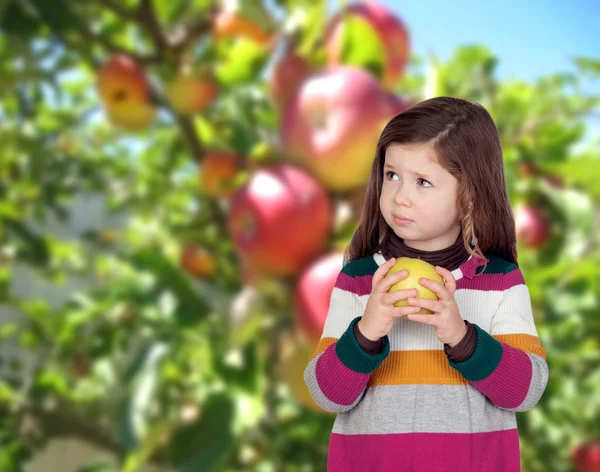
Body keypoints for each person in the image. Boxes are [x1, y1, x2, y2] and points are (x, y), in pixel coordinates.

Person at [303, 96, 549, 471]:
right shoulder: (359, 280)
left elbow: (525, 391)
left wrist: (462, 336)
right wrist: (367, 333)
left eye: (422, 181)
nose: (400, 197)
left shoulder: (499, 280)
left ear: (469, 196)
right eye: (392, 175)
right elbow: (326, 395)